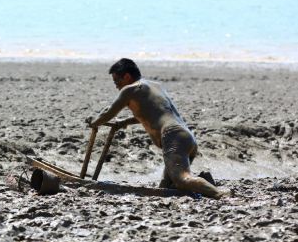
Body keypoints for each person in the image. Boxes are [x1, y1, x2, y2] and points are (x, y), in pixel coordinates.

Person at [86, 58, 224, 199]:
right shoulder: (154, 86)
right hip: (186, 136)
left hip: (173, 136)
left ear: (127, 76)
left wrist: (94, 122)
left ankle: (222, 195)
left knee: (183, 179)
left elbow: (109, 112)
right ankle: (206, 180)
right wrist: (123, 122)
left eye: (117, 82)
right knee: (165, 188)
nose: (117, 87)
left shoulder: (130, 89)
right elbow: (153, 113)